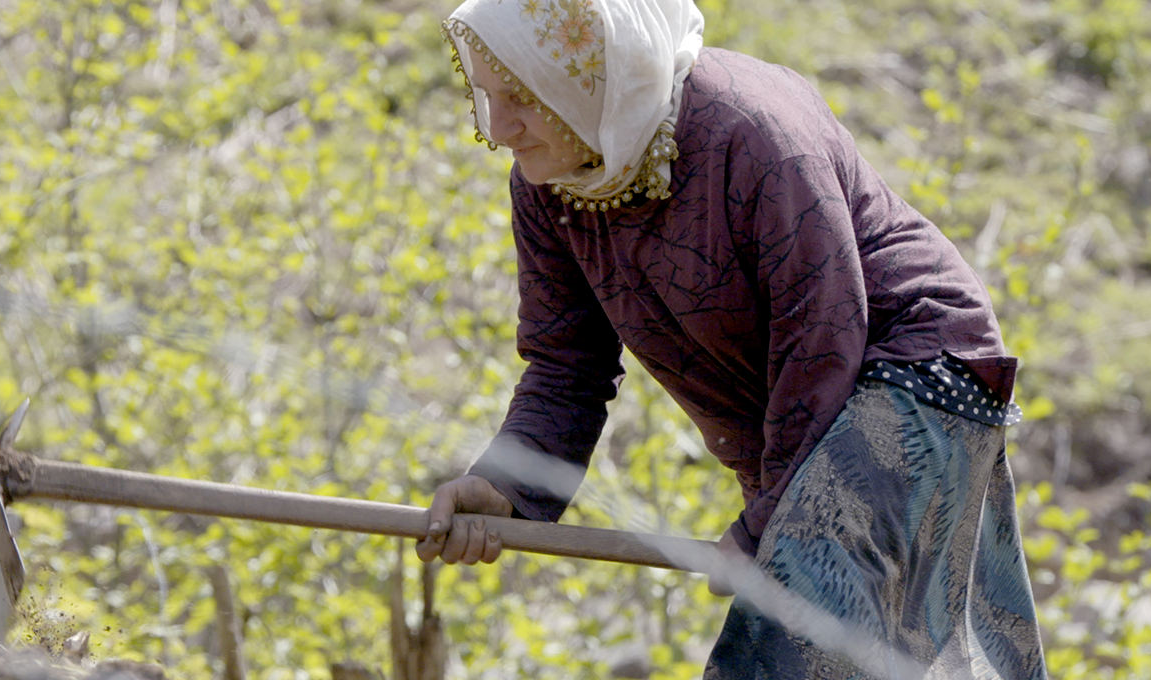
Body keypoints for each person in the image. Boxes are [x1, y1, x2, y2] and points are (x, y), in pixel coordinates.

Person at [414, 0, 1048, 676]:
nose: (499, 127)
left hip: (914, 366)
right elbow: (567, 368)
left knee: (785, 632)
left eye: (522, 98)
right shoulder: (546, 184)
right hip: (807, 426)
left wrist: (765, 530)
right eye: (487, 96)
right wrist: (504, 486)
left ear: (589, 76)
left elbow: (823, 343)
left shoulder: (756, 134)